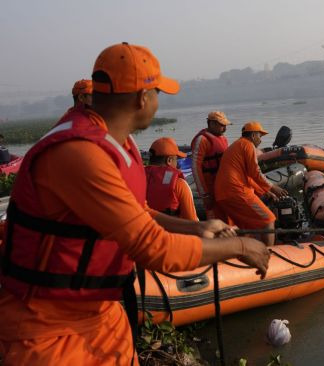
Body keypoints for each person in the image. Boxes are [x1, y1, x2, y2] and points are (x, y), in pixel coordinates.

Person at [0, 42, 269, 365]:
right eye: (157, 94)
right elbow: (154, 249)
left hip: (101, 313)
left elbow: (138, 212)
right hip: (47, 327)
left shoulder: (116, 143)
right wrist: (241, 247)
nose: (157, 103)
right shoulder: (79, 154)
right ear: (143, 99)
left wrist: (196, 226)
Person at [215, 121, 288, 246]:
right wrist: (274, 187)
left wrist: (265, 191)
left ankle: (243, 254)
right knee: (268, 220)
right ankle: (269, 255)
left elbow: (248, 176)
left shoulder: (237, 145)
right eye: (260, 136)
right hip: (237, 192)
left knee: (245, 227)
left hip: (222, 195)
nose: (260, 140)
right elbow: (255, 172)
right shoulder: (248, 146)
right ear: (253, 135)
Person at [191, 111, 231, 221]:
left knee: (228, 220)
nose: (225, 129)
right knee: (216, 221)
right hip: (210, 188)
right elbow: (195, 167)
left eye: (225, 125)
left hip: (224, 187)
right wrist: (205, 195)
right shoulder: (202, 140)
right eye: (222, 125)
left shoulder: (223, 139)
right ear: (212, 124)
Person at [145, 137, 198, 221]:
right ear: (169, 160)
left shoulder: (138, 178)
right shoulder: (179, 184)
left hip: (142, 231)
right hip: (170, 233)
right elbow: (192, 221)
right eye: (176, 159)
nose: (177, 164)